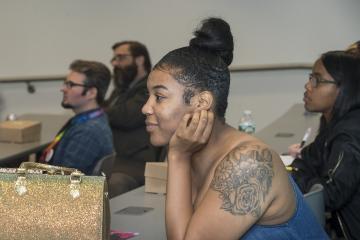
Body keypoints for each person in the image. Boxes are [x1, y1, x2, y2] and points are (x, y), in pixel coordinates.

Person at [142, 17, 328, 239]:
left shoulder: (248, 162)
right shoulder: (194, 152)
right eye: (148, 96)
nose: (146, 108)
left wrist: (177, 156)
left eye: (159, 97)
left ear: (201, 103)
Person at [289, 50, 360, 239]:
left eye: (317, 80)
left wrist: (305, 178)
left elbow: (329, 195)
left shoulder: (348, 135)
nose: (308, 86)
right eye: (310, 78)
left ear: (343, 88)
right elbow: (306, 159)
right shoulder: (333, 124)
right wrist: (308, 176)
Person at [103, 41, 162, 194]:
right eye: (114, 59)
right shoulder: (121, 89)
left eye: (121, 58)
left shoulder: (151, 87)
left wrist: (94, 108)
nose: (115, 63)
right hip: (116, 158)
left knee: (114, 183)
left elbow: (125, 117)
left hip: (137, 160)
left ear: (139, 60)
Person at [40, 60, 113, 175]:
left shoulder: (88, 132)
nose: (63, 89)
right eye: (65, 83)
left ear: (91, 93)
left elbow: (64, 181)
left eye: (71, 85)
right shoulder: (87, 120)